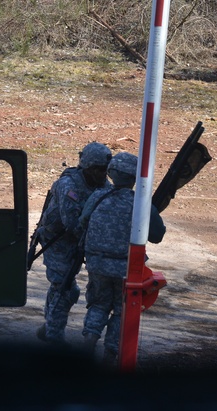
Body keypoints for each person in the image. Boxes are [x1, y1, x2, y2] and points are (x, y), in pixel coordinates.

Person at [79, 151, 165, 362]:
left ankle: (89, 340)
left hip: (97, 264)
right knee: (121, 310)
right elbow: (157, 235)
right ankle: (110, 353)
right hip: (126, 268)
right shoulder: (140, 204)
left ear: (111, 173)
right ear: (135, 177)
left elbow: (82, 221)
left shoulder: (98, 196)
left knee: (98, 305)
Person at [36, 141, 112, 344]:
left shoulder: (104, 185)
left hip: (82, 242)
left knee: (60, 288)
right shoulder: (68, 185)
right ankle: (54, 337)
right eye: (98, 169)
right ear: (87, 167)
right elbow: (72, 224)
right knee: (67, 289)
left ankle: (49, 325)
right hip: (58, 241)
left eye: (105, 170)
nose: (103, 174)